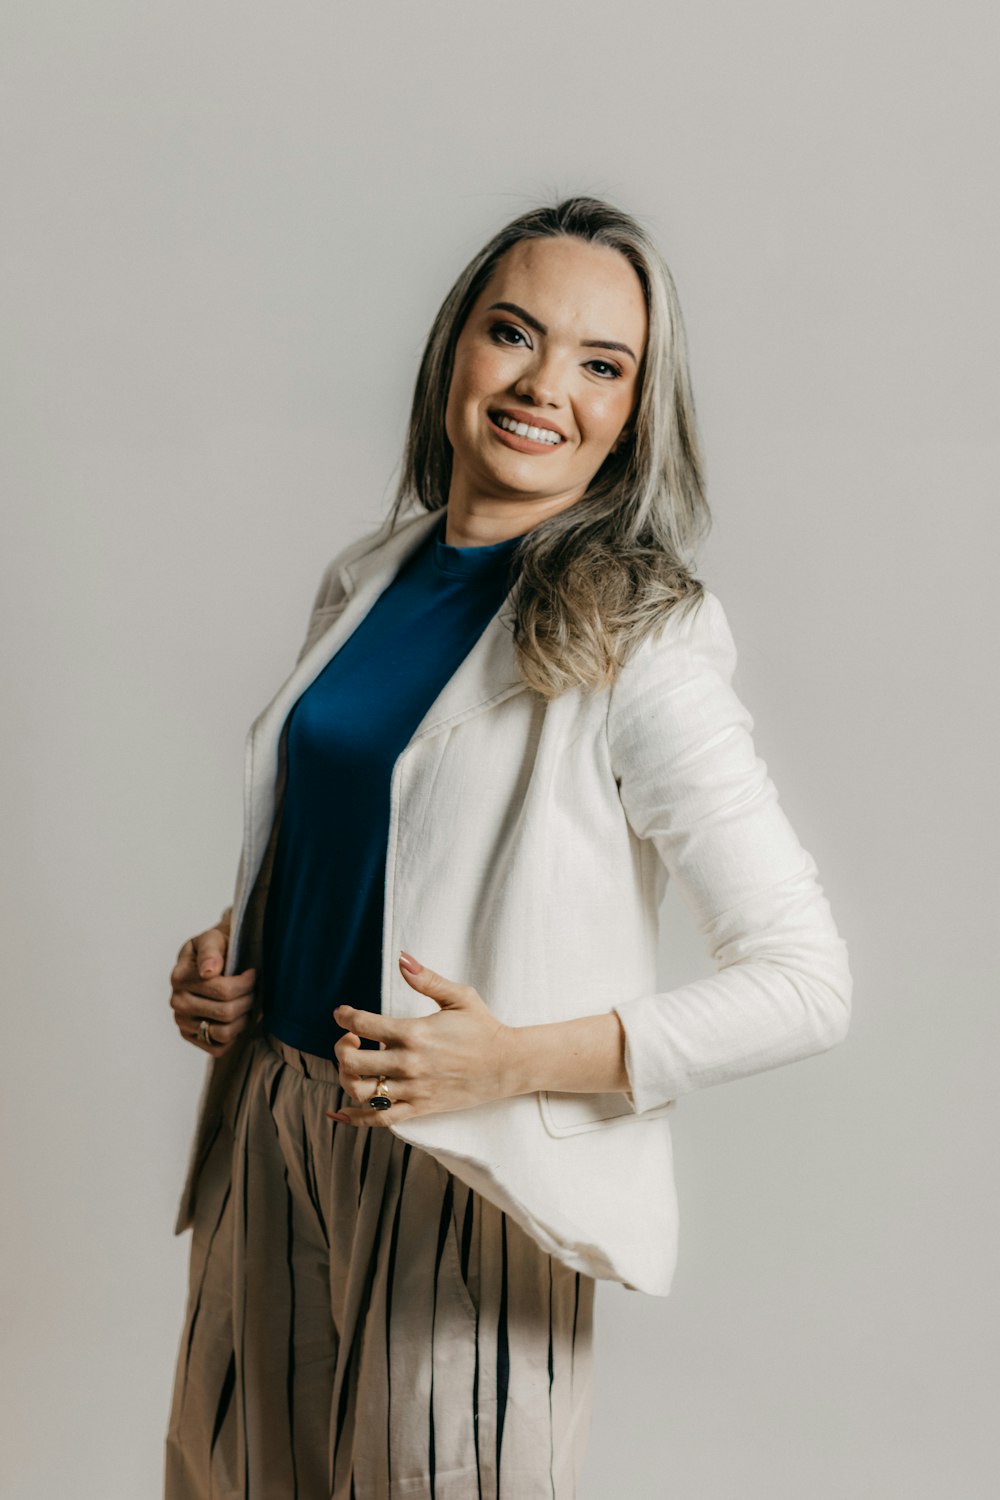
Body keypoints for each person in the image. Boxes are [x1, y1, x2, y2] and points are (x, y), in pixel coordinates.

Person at [164, 196, 852, 1500]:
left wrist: (514, 1060)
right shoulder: (371, 573)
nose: (547, 387)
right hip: (270, 1129)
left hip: (465, 1179)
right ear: (454, 355)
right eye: (515, 334)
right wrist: (234, 958)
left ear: (639, 413)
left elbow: (807, 981)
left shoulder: (643, 638)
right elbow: (384, 833)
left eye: (603, 365)